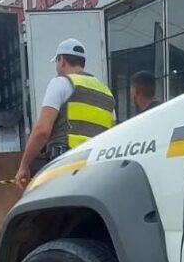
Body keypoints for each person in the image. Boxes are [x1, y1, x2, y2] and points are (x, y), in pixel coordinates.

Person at [15, 38, 115, 189]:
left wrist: (24, 165)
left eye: (56, 61)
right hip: (98, 168)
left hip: (67, 164)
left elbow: (42, 130)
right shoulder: (106, 93)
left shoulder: (61, 82)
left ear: (61, 60)